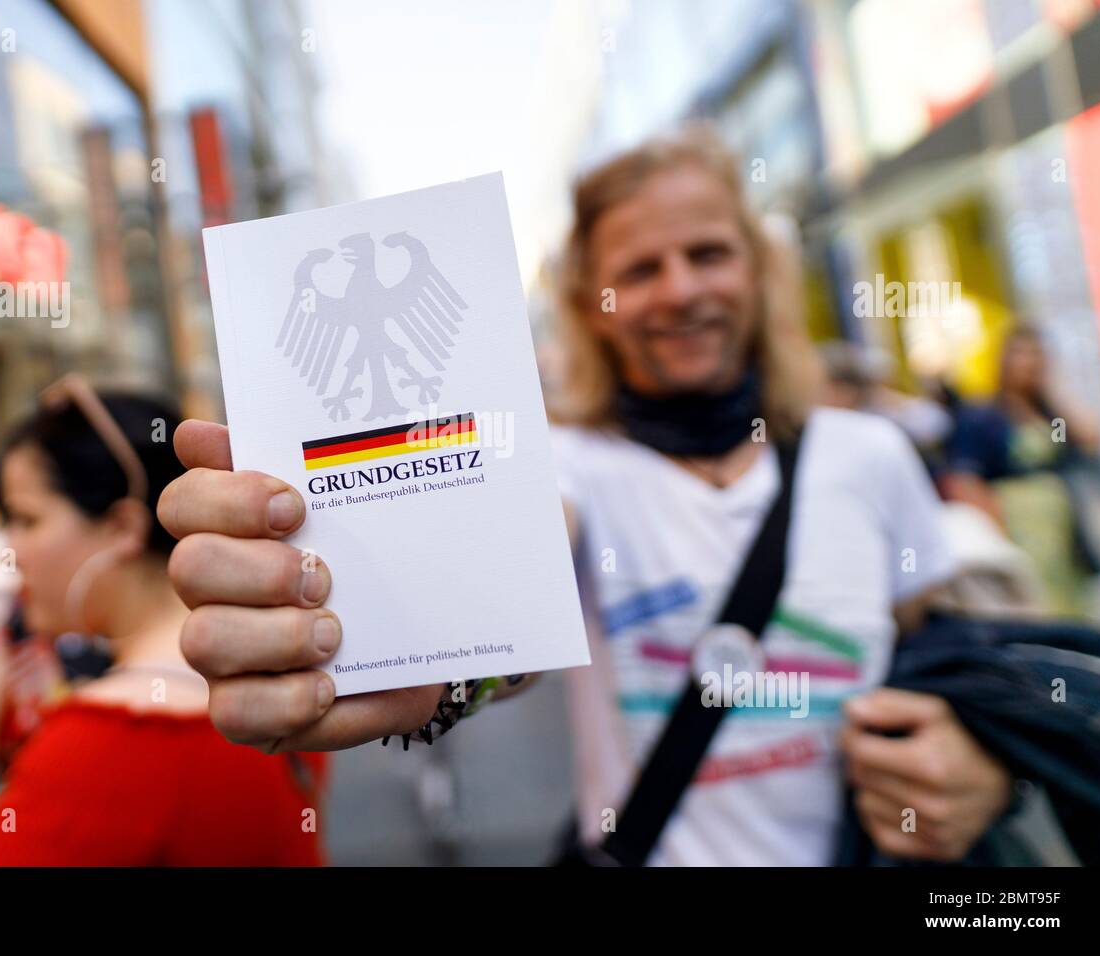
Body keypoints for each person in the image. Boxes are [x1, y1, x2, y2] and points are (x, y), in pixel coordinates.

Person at [157, 128, 1015, 865]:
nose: (681, 289)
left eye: (708, 254)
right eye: (641, 269)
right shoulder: (564, 465)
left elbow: (937, 662)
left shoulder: (870, 455)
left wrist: (985, 762)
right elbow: (511, 560)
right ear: (592, 306)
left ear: (757, 273)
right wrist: (434, 669)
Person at [0, 376, 325, 866]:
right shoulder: (278, 667)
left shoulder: (110, 739)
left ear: (121, 528)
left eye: (28, 519)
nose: (10, 549)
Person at [943, 325, 1100, 616]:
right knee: (1037, 599)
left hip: (1063, 523)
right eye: (1022, 354)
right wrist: (998, 531)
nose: (1029, 362)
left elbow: (1089, 440)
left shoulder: (1048, 414)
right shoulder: (984, 415)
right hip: (1017, 520)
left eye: (1037, 354)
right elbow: (964, 479)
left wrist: (1053, 392)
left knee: (1073, 599)